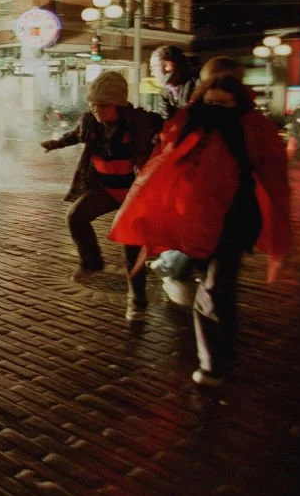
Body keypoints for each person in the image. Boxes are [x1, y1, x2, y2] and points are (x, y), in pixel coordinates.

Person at [110, 57, 290, 386]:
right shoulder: (190, 123)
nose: (217, 108)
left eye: (225, 103)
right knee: (216, 287)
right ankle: (217, 355)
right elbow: (163, 164)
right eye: (211, 101)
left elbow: (273, 171)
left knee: (217, 288)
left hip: (233, 220)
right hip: (194, 218)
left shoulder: (250, 128)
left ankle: (213, 362)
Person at [40, 71, 162, 322]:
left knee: (131, 248)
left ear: (118, 103)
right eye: (93, 104)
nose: (97, 110)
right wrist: (54, 145)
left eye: (103, 105)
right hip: (104, 188)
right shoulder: (90, 121)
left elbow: (165, 126)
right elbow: (76, 135)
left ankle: (137, 300)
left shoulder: (140, 122)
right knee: (75, 217)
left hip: (132, 193)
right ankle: (92, 262)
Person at [151, 45, 198, 120]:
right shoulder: (164, 94)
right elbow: (166, 122)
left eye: (154, 67)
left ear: (168, 66)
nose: (152, 73)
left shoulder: (198, 84)